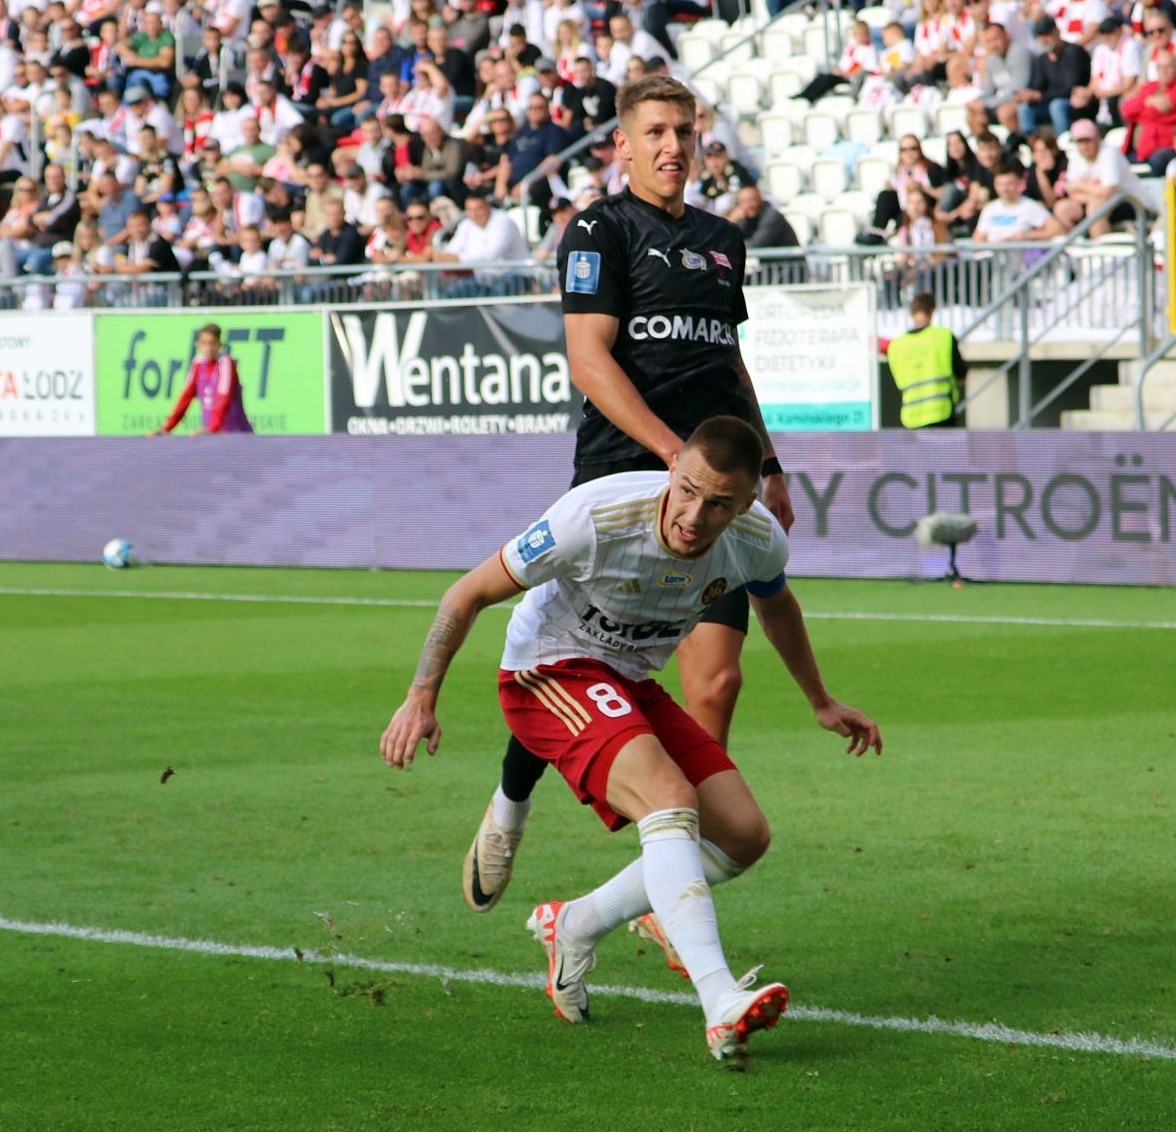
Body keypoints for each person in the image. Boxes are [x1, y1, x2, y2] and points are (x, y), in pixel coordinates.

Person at [380, 415, 880, 1060]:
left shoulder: (758, 539)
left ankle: (575, 924)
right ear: (672, 470)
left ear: (746, 504)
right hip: (548, 669)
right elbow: (468, 592)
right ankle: (719, 1000)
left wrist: (821, 700)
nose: (694, 516)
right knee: (670, 799)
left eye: (719, 503)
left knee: (742, 837)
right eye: (688, 490)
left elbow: (777, 604)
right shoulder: (594, 517)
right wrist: (421, 696)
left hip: (630, 680)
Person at [463, 76, 798, 919]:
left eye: (684, 131)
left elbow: (730, 363)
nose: (672, 146)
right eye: (655, 132)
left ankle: (672, 879)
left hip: (709, 499)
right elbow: (588, 360)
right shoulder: (600, 229)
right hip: (622, 483)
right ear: (623, 144)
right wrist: (669, 453)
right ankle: (510, 803)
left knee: (717, 682)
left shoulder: (724, 240)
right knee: (574, 658)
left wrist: (769, 464)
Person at [149, 323, 254, 436]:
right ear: (198, 345)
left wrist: (212, 429)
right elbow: (186, 397)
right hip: (213, 436)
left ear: (220, 345)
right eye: (204, 343)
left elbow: (223, 399)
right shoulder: (198, 364)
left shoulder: (226, 363)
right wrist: (166, 428)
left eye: (212, 343)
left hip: (237, 435)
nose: (208, 348)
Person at [1056, 119, 1158, 233]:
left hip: (1130, 203)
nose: (1085, 146)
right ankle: (1078, 241)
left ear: (1097, 137)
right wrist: (1094, 194)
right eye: (1080, 141)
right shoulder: (1076, 156)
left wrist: (1079, 185)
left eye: (1087, 140)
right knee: (1062, 208)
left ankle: (1100, 243)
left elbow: (1109, 191)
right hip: (1101, 202)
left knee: (1096, 208)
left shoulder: (1109, 153)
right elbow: (1072, 193)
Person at [887, 293, 968, 429]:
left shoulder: (896, 345)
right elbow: (962, 375)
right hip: (942, 414)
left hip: (911, 417)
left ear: (911, 312)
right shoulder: (944, 336)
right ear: (932, 310)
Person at [729, 184, 800, 248]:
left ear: (760, 199)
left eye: (752, 200)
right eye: (744, 202)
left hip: (786, 258)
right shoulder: (748, 217)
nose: (749, 205)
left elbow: (756, 245)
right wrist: (732, 221)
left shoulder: (772, 216)